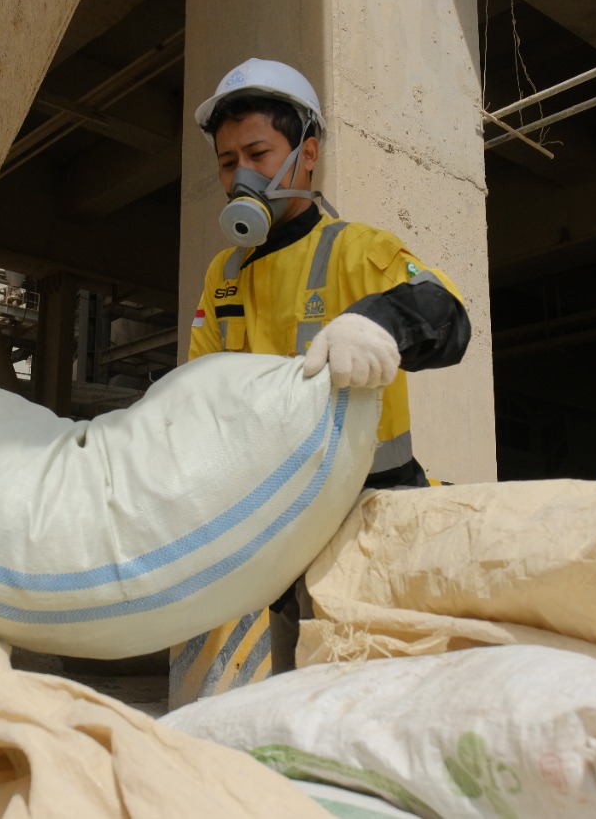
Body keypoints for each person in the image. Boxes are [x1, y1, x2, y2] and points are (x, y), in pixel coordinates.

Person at [170, 58, 471, 705]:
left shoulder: (358, 251)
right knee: (273, 712)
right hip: (269, 535)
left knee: (366, 708)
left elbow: (450, 318)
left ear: (307, 155)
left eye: (257, 152)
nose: (240, 175)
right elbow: (194, 395)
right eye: (228, 162)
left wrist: (383, 321)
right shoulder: (223, 275)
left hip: (367, 530)